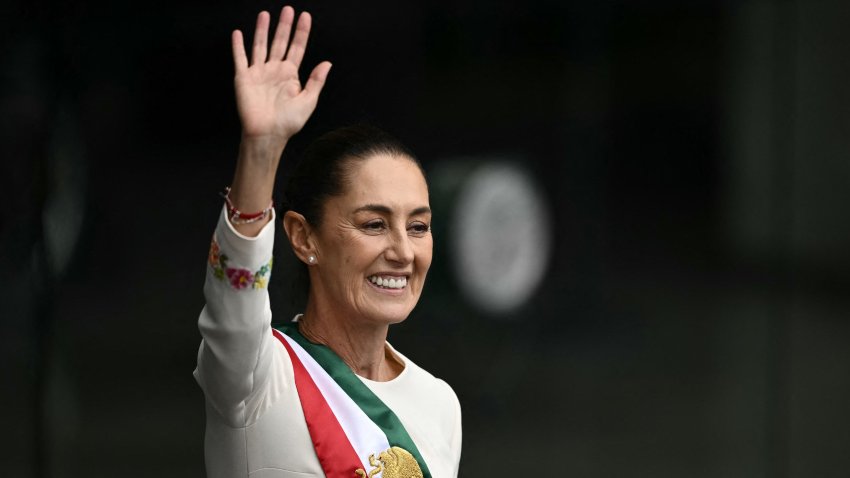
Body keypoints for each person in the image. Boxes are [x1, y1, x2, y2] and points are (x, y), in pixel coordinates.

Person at [193, 6, 462, 478]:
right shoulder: (255, 378)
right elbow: (232, 293)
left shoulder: (439, 403)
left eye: (418, 226)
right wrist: (262, 149)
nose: (402, 251)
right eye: (374, 224)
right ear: (303, 236)